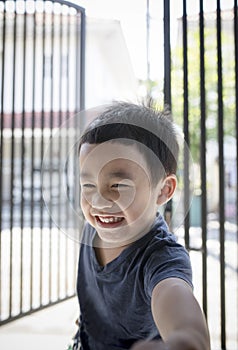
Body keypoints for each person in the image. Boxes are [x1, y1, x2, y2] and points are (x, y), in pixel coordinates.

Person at [75, 102, 210, 350]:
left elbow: (186, 324)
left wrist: (186, 342)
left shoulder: (162, 259)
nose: (98, 202)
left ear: (163, 190)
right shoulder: (92, 230)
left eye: (118, 186)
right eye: (88, 186)